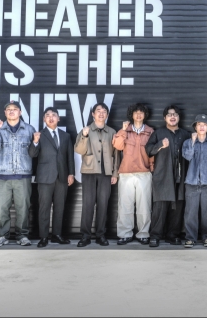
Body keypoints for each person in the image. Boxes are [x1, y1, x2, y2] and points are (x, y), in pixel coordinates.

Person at [0, 100, 37, 247]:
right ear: (5, 113)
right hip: (2, 176)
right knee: (1, 208)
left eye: (15, 109)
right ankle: (2, 236)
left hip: (23, 175)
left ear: (20, 112)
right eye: (8, 109)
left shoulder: (29, 129)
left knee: (23, 208)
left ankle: (22, 236)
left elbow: (34, 152)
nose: (11, 111)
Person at [75, 102, 120, 248]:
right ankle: (85, 235)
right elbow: (79, 150)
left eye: (104, 111)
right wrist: (85, 136)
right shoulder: (86, 130)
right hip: (89, 171)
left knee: (103, 204)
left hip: (106, 173)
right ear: (93, 114)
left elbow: (116, 154)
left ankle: (101, 235)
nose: (101, 113)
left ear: (107, 114)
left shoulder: (112, 132)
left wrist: (115, 173)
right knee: (88, 204)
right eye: (98, 111)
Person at [28, 107, 75, 248]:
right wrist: (35, 141)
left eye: (54, 115)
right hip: (45, 177)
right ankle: (43, 237)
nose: (51, 117)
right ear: (44, 119)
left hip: (62, 176)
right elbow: (32, 154)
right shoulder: (39, 135)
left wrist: (71, 173)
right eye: (47, 115)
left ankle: (57, 235)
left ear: (58, 118)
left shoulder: (65, 136)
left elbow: (69, 157)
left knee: (60, 207)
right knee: (44, 208)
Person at [145, 105, 190, 247]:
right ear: (165, 118)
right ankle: (155, 235)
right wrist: (160, 145)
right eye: (170, 114)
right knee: (160, 207)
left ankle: (173, 234)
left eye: (175, 114)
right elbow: (148, 151)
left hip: (181, 177)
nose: (173, 117)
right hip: (163, 176)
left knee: (177, 208)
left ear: (179, 118)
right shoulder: (159, 133)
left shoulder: (185, 134)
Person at [113, 103, 154, 246]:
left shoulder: (150, 132)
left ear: (145, 115)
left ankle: (143, 234)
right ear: (131, 114)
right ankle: (125, 234)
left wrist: (152, 169)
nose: (138, 115)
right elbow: (117, 146)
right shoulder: (126, 130)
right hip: (126, 173)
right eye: (136, 112)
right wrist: (123, 131)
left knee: (144, 206)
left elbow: (153, 153)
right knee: (125, 206)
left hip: (144, 173)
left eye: (141, 112)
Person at [181, 114, 207, 248]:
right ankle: (190, 238)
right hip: (191, 182)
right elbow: (187, 156)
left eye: (204, 125)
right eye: (199, 124)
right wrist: (192, 142)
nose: (202, 127)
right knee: (190, 212)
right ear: (195, 127)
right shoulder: (187, 142)